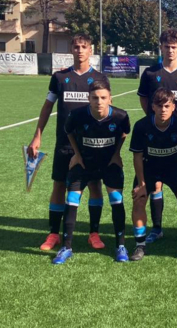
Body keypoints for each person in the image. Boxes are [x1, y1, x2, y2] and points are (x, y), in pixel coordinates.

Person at [27, 33, 106, 251]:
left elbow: (105, 111)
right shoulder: (60, 77)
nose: (80, 50)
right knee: (59, 185)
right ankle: (54, 233)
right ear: (71, 49)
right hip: (64, 143)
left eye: (84, 46)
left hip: (91, 144)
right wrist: (37, 135)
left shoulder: (99, 78)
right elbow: (47, 107)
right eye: (76, 46)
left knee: (94, 185)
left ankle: (94, 233)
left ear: (90, 50)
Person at [52, 80, 130, 264]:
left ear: (110, 99)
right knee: (72, 199)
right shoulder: (77, 115)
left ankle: (120, 246)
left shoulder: (120, 116)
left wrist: (116, 154)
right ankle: (66, 247)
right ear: (88, 99)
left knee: (116, 199)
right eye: (95, 98)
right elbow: (69, 131)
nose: (99, 101)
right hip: (84, 163)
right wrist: (77, 154)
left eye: (103, 97)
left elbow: (124, 133)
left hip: (109, 163)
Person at [137, 28, 177, 244]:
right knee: (155, 184)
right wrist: (152, 120)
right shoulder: (150, 74)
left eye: (174, 47)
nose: (170, 50)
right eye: (166, 46)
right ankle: (157, 229)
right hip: (154, 137)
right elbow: (144, 99)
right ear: (161, 47)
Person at [129, 89, 177, 262]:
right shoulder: (141, 126)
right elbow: (137, 156)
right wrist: (141, 183)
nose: (163, 109)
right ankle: (140, 245)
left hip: (174, 169)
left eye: (166, 106)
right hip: (149, 168)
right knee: (139, 199)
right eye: (159, 106)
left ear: (173, 107)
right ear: (152, 107)